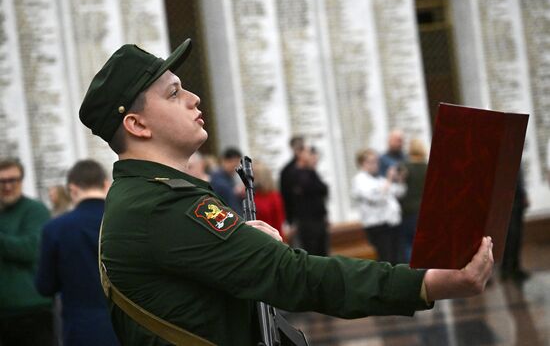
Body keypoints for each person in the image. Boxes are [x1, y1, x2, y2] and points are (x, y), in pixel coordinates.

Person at [78, 39, 494, 346]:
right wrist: (429, 283)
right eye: (173, 93)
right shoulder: (160, 206)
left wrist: (244, 244)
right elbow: (293, 275)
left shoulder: (147, 198)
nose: (194, 98)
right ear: (137, 125)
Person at [35, 160, 119, 346]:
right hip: (126, 327)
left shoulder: (55, 228)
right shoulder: (126, 222)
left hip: (81, 329)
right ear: (106, 184)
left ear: (72, 189)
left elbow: (45, 286)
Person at [0, 158, 53, 346]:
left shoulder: (35, 210)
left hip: (32, 312)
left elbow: (30, 250)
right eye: (2, 181)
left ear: (21, 181)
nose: (7, 186)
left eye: (13, 180)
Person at [351, 149, 406, 265]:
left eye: (376, 161)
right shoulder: (360, 180)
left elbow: (399, 192)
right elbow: (375, 198)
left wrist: (400, 180)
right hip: (377, 226)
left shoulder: (380, 179)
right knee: (386, 260)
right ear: (362, 163)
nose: (375, 164)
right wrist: (390, 180)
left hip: (392, 224)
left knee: (398, 259)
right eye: (371, 161)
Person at [289, 145, 330, 256]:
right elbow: (308, 188)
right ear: (300, 155)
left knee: (323, 253)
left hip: (319, 219)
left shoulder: (312, 172)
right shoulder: (295, 173)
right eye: (309, 153)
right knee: (312, 253)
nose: (313, 157)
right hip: (307, 221)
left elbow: (323, 190)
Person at [400, 138, 429, 262]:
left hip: (407, 210)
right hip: (424, 209)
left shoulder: (404, 167)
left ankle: (412, 273)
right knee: (423, 244)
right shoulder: (427, 167)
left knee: (408, 244)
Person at [500, 168, 530, 282]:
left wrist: (524, 194)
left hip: (518, 197)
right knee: (511, 237)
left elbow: (520, 179)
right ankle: (506, 269)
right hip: (508, 198)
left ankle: (515, 268)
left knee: (517, 236)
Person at [253, 161, 286, 238]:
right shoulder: (253, 195)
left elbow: (278, 222)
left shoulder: (273, 197)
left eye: (255, 175)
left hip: (270, 237)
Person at [209, 147, 244, 215]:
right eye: (234, 164)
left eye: (237, 164)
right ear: (224, 161)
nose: (236, 168)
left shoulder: (228, 178)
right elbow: (233, 208)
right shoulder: (219, 181)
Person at [279, 135, 305, 225]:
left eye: (302, 147)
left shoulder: (309, 168)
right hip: (296, 218)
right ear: (292, 148)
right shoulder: (286, 171)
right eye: (297, 148)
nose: (300, 151)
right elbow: (284, 196)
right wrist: (289, 220)